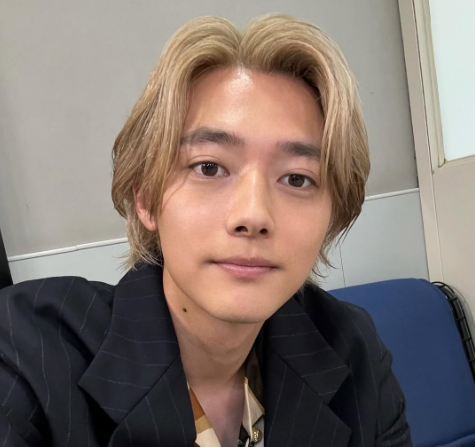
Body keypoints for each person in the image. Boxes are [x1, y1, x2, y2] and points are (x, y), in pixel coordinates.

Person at [0, 13, 412, 447]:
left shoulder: (354, 349)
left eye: (297, 178)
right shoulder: (27, 352)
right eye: (209, 167)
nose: (253, 215)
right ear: (146, 198)